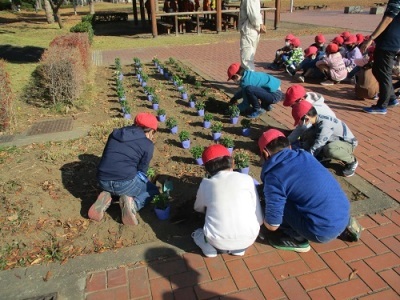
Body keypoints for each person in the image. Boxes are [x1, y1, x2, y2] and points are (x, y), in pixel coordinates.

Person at [258, 129, 362, 253]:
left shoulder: (274, 176)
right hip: (343, 210)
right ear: (289, 147)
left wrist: (265, 218)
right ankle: (341, 225)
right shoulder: (304, 155)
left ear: (265, 153)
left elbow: (272, 225)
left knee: (274, 205)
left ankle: (297, 239)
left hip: (320, 231)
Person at [192, 144, 263, 257]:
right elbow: (258, 214)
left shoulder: (206, 183)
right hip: (249, 237)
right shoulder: (247, 179)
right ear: (232, 162)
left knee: (198, 233)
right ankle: (238, 249)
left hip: (216, 240)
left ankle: (208, 247)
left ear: (207, 169)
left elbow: (198, 208)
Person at [88, 113, 160, 226]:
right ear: (150, 130)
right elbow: (141, 170)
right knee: (153, 191)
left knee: (118, 184)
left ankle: (107, 196)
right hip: (124, 183)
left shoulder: (116, 133)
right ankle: (133, 205)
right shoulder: (147, 144)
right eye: (153, 133)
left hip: (102, 180)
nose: (153, 136)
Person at [291, 100, 359, 177]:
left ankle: (352, 161)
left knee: (330, 149)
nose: (299, 124)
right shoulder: (317, 118)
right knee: (307, 135)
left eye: (300, 121)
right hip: (332, 139)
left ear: (306, 118)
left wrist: (306, 161)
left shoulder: (325, 126)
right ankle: (323, 156)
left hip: (348, 143)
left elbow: (318, 144)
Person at [360, 0, 400, 114]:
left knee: (383, 73)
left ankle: (382, 105)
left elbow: (388, 19)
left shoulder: (396, 1)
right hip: (391, 41)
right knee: (378, 70)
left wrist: (371, 38)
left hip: (388, 42)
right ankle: (391, 98)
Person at [238, 0, 266, 71]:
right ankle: (248, 77)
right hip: (251, 29)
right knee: (249, 56)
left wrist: (259, 26)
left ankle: (249, 79)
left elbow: (253, 14)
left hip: (249, 28)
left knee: (247, 59)